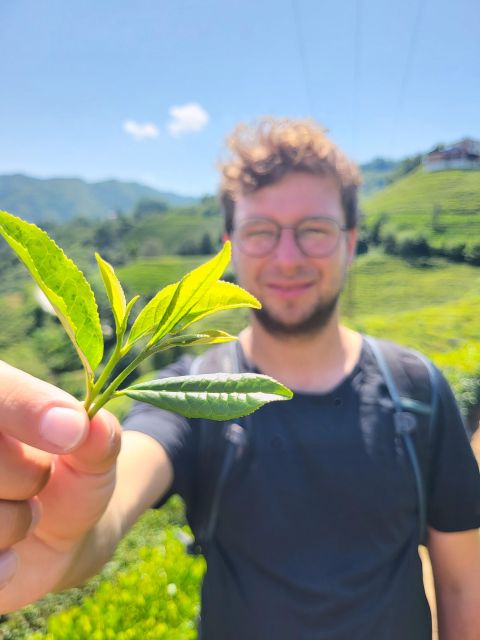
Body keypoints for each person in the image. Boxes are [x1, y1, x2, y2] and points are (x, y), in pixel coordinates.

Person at [0, 118, 479, 639]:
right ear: (230, 245)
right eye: (261, 233)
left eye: (314, 230)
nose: (288, 257)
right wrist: (60, 536)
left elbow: (462, 584)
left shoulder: (418, 389)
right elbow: (123, 483)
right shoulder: (191, 394)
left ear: (351, 240)